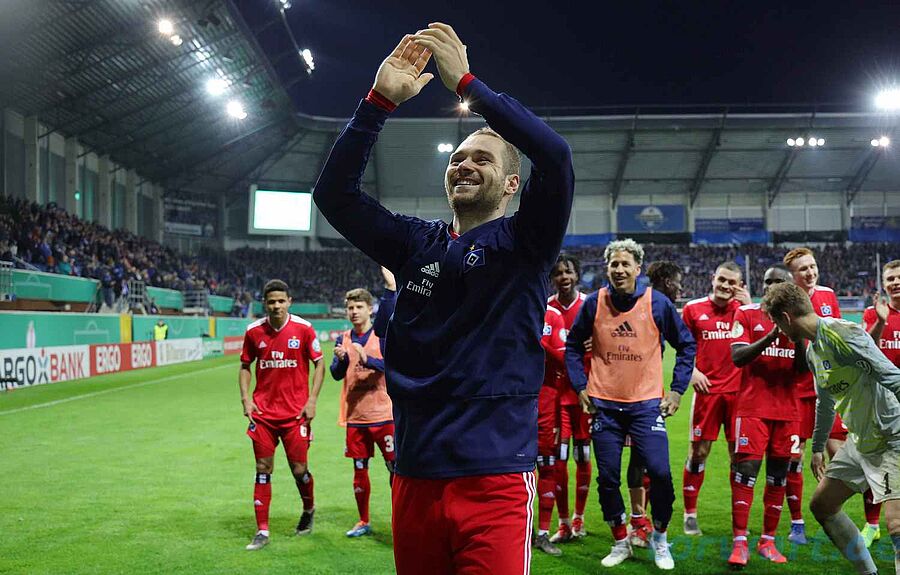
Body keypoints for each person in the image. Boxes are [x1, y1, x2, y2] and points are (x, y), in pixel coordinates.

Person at [313, 24, 574, 574]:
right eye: (458, 158)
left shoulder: (527, 242)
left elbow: (555, 156)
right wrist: (378, 103)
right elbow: (333, 195)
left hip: (495, 477)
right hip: (414, 473)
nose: (464, 165)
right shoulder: (414, 243)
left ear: (511, 186)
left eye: (483, 159)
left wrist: (469, 87)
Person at [565, 239, 696, 570]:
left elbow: (686, 345)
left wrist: (677, 390)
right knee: (608, 479)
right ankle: (621, 540)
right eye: (614, 264)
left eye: (626, 264)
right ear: (607, 268)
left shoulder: (658, 303)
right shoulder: (594, 303)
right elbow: (572, 347)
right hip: (604, 407)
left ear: (638, 268)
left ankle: (660, 538)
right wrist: (580, 386)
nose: (620, 269)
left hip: (646, 406)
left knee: (661, 474)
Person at [762, 281, 900, 575]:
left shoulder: (843, 334)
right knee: (823, 506)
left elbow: (893, 378)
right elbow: (825, 403)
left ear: (786, 317)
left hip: (891, 436)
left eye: (777, 323)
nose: (780, 331)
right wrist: (817, 448)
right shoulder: (813, 352)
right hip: (860, 441)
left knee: (896, 525)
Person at [783, 246, 871, 544]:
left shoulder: (828, 295)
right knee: (794, 458)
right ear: (792, 276)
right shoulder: (787, 301)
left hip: (829, 388)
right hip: (797, 391)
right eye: (803, 269)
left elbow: (838, 335)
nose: (810, 272)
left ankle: (846, 515)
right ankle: (797, 523)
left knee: (844, 454)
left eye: (812, 266)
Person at [726, 264, 806, 567]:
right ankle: (740, 543)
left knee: (778, 476)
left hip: (788, 411)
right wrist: (772, 335)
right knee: (746, 470)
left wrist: (796, 335)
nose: (771, 286)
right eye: (767, 281)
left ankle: (767, 541)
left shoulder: (799, 320)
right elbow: (737, 357)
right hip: (752, 408)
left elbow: (803, 370)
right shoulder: (745, 314)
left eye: (778, 282)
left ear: (790, 287)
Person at [238, 279, 325, 551]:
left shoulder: (304, 329)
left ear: (289, 301)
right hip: (263, 414)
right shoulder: (254, 331)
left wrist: (312, 400)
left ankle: (308, 509)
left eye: (281, 301)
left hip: (295, 414)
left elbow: (319, 363)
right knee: (262, 468)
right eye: (271, 302)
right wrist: (246, 399)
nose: (276, 306)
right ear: (265, 304)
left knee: (299, 470)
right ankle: (262, 530)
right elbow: (245, 366)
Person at [680, 261, 751, 535]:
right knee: (698, 453)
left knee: (739, 458)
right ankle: (690, 514)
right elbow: (681, 347)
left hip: (739, 396)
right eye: (722, 279)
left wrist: (748, 306)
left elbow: (761, 339)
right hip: (706, 393)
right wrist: (692, 372)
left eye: (732, 282)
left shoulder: (744, 311)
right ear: (713, 278)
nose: (725, 286)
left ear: (740, 286)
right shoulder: (693, 309)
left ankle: (738, 520)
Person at [330, 288, 395, 538]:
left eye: (359, 307)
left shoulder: (382, 336)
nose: (354, 312)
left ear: (370, 309)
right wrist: (342, 361)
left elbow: (392, 366)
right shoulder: (343, 338)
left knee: (395, 469)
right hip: (356, 417)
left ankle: (400, 519)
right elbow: (337, 374)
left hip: (384, 415)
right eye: (350, 308)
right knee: (359, 470)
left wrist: (368, 360)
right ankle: (363, 520)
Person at [546, 255, 592, 544]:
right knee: (559, 460)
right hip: (556, 396)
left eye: (568, 272)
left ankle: (579, 517)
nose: (563, 277)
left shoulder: (589, 305)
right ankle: (563, 523)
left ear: (577, 275)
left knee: (583, 456)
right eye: (558, 273)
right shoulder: (547, 309)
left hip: (585, 394)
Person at [858, 259, 900, 546]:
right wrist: (881, 321)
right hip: (879, 403)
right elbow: (863, 350)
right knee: (874, 465)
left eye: (899, 277)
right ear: (883, 285)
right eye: (890, 279)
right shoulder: (873, 313)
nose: (895, 282)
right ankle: (872, 524)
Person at [534, 303, 567, 556]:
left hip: (546, 402)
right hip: (512, 402)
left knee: (547, 466)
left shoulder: (553, 316)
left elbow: (563, 360)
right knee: (510, 468)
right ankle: (519, 530)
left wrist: (537, 341)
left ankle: (543, 534)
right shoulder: (509, 308)